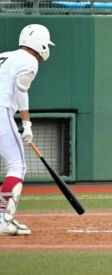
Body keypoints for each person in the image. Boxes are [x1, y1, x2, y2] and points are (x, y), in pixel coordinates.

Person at [0, 24, 55, 236]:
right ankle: (4, 221)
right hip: (1, 110)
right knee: (17, 166)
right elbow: (21, 90)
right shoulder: (29, 60)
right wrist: (27, 123)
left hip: (4, 110)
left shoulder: (5, 55)